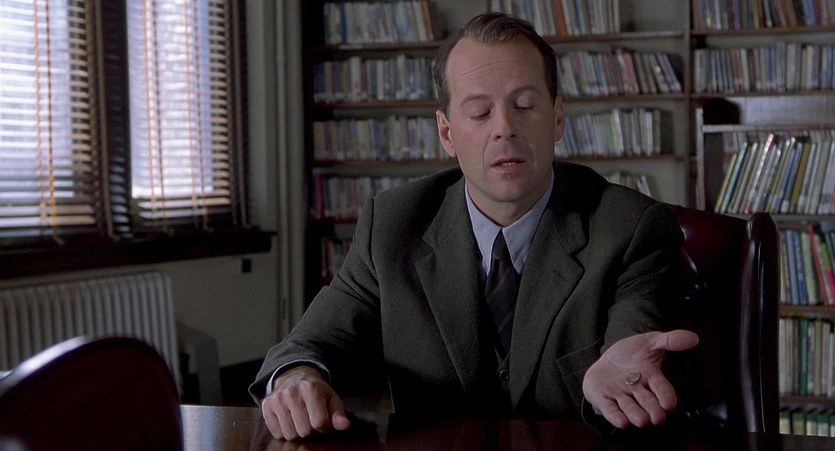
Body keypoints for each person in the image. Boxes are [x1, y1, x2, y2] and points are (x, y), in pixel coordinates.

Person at [249, 12, 699, 441]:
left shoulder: (630, 228)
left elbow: (634, 341)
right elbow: (307, 346)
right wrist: (296, 379)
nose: (505, 129)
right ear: (447, 133)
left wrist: (621, 382)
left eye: (525, 105)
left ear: (558, 117)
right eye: (480, 113)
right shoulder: (392, 227)